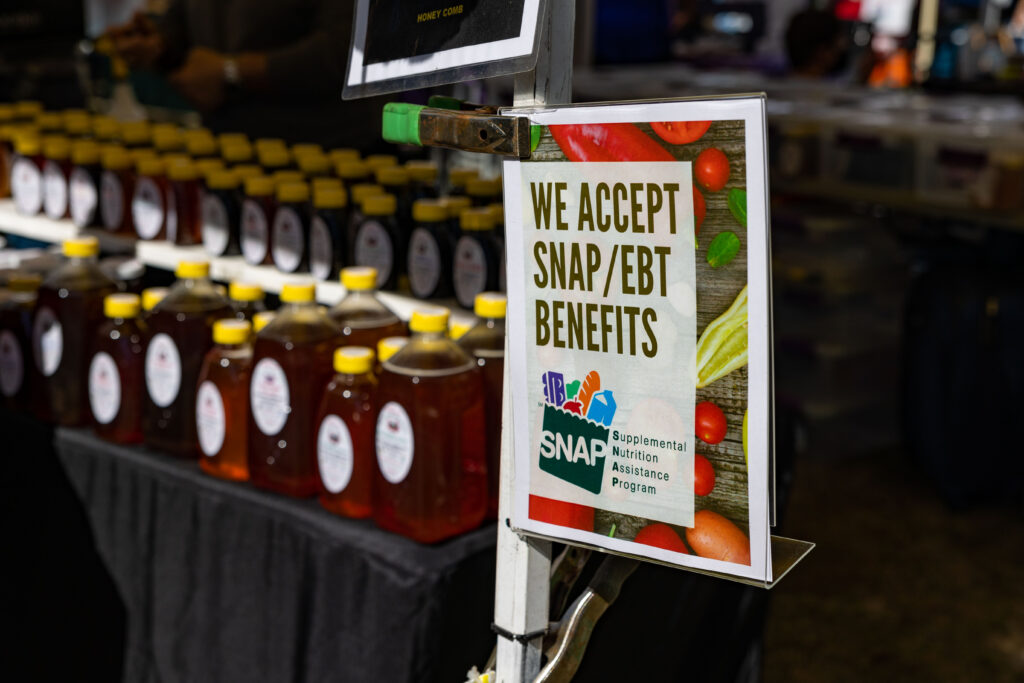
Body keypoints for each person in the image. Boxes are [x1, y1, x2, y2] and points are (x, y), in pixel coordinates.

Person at [106, 0, 387, 148]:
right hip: (229, 152)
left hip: (326, 158)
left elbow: (347, 50)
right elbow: (183, 18)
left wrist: (231, 71)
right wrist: (158, 45)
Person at [784, 9, 850, 78]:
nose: (843, 47)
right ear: (821, 51)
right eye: (837, 45)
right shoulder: (831, 87)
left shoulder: (777, 84)